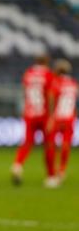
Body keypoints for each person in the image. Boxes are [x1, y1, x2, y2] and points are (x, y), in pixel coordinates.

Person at [11, 54, 54, 185]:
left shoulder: (28, 73)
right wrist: (52, 116)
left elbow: (25, 92)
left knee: (27, 142)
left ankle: (17, 164)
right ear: (46, 61)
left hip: (30, 113)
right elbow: (50, 95)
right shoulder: (48, 74)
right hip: (44, 113)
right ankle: (51, 176)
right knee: (49, 144)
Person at [45, 59, 78, 187]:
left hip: (58, 118)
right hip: (70, 118)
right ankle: (62, 170)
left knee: (51, 145)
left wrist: (51, 118)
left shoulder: (55, 83)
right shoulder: (73, 83)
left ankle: (53, 174)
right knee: (66, 145)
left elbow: (51, 99)